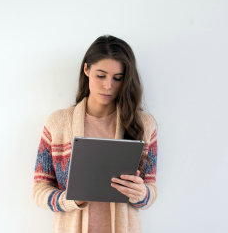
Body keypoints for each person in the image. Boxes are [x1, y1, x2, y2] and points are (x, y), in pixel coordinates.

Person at [32, 35, 158, 233]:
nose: (108, 85)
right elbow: (39, 189)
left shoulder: (144, 124)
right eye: (101, 75)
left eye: (118, 78)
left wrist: (141, 193)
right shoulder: (58, 123)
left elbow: (151, 190)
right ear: (86, 69)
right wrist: (70, 200)